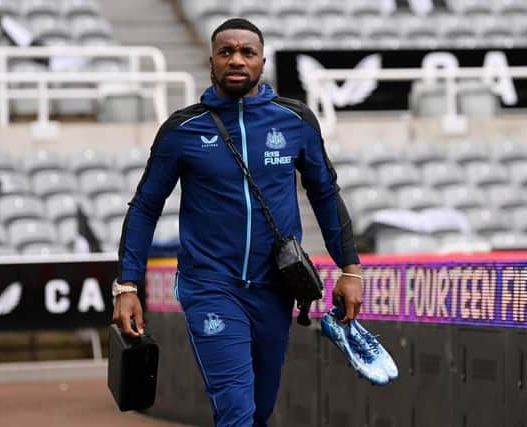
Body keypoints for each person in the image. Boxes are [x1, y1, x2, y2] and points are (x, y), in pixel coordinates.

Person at [112, 17, 363, 427]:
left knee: (259, 411)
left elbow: (325, 194)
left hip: (275, 290)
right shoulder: (182, 130)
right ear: (211, 60)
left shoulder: (295, 120)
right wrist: (126, 285)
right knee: (235, 410)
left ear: (263, 61)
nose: (236, 59)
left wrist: (351, 271)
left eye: (247, 51)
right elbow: (143, 208)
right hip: (211, 287)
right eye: (226, 51)